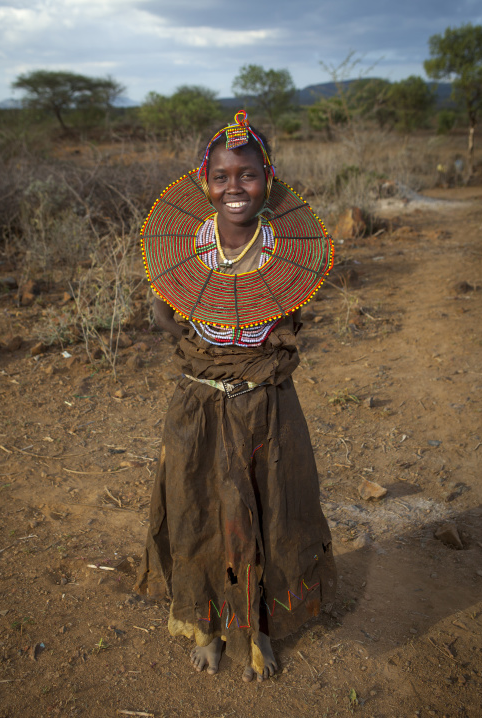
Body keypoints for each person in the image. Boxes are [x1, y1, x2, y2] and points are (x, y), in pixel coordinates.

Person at [135, 111, 336, 683]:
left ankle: (259, 631)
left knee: (268, 510)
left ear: (267, 179)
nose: (234, 188)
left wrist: (273, 334)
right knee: (199, 508)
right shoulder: (185, 248)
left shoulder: (286, 252)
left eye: (246, 175)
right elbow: (161, 313)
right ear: (205, 181)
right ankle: (207, 624)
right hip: (199, 402)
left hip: (265, 402)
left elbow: (293, 312)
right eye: (221, 176)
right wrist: (197, 338)